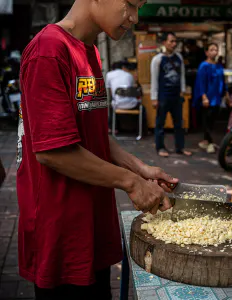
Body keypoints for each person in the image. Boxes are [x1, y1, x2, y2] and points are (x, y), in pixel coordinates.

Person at [17, 1, 178, 299]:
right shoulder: (49, 50)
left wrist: (139, 169)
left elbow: (92, 135)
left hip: (91, 223)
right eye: (129, 4)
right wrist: (131, 183)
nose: (134, 17)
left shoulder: (89, 51)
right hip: (62, 229)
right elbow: (53, 151)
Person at [151, 32, 192, 158]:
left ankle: (180, 147)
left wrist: (183, 90)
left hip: (176, 96)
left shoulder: (179, 57)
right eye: (171, 41)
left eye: (175, 41)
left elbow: (182, 76)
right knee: (160, 124)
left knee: (179, 123)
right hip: (163, 96)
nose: (174, 44)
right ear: (164, 43)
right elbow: (154, 79)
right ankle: (160, 147)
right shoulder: (157, 59)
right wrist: (154, 97)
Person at [193, 43, 229, 154]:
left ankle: (206, 141)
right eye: (211, 49)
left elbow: (223, 81)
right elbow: (200, 83)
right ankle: (210, 142)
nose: (214, 51)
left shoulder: (219, 66)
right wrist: (204, 97)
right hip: (207, 98)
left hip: (217, 98)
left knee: (213, 120)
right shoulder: (203, 66)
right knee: (206, 121)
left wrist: (226, 94)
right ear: (207, 52)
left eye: (215, 49)